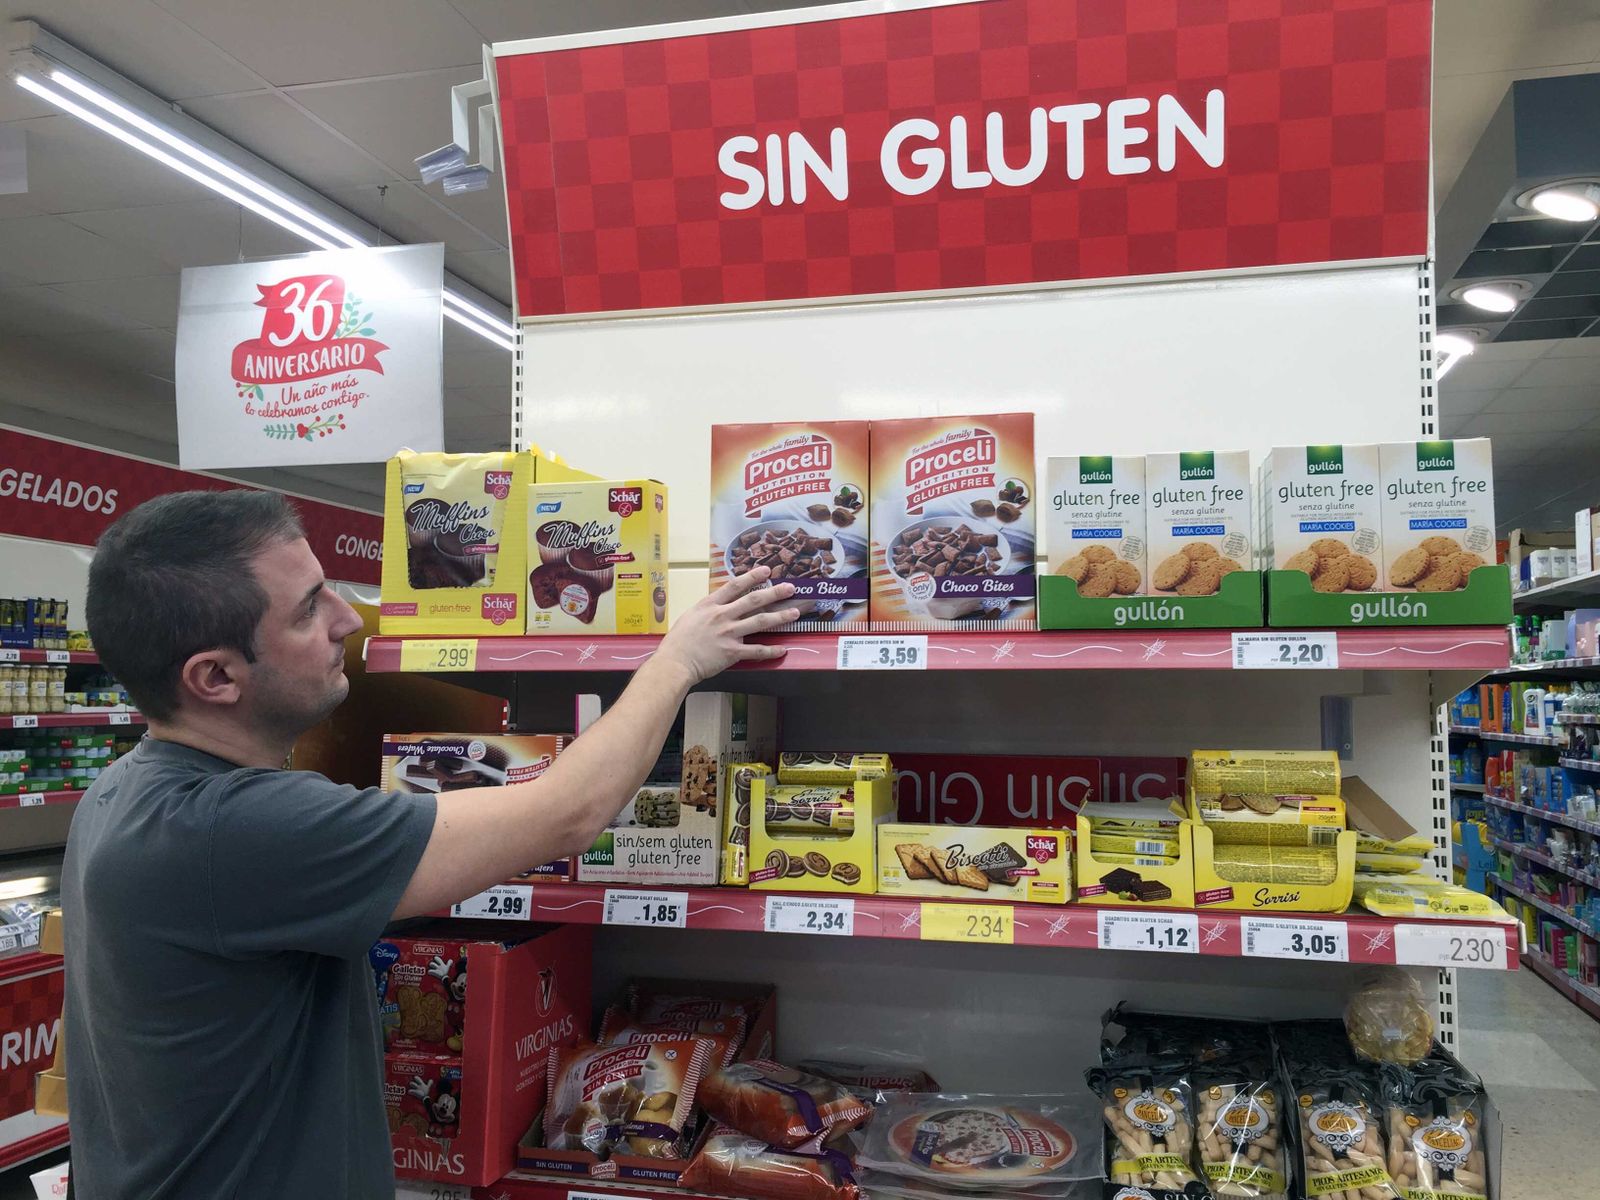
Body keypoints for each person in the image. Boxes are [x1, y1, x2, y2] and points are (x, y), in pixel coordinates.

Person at [63, 489, 797, 1200]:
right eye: (309, 609)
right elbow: (567, 815)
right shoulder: (230, 829)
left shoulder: (125, 788)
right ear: (215, 676)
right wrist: (678, 661)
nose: (348, 620)